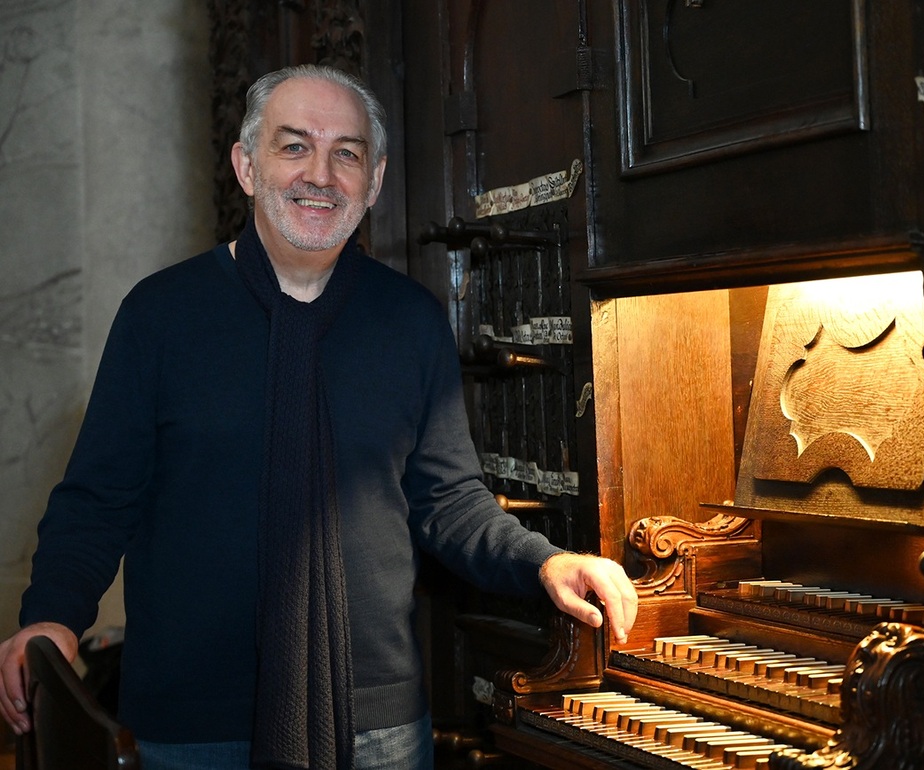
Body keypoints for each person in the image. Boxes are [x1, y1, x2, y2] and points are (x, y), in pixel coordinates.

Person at [0, 64, 637, 770]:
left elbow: (449, 502)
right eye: (293, 146)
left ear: (375, 178)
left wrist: (545, 561)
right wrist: (52, 617)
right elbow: (97, 499)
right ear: (247, 166)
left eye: (347, 153)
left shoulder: (411, 323)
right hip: (192, 725)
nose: (321, 175)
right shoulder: (158, 316)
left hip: (379, 728)